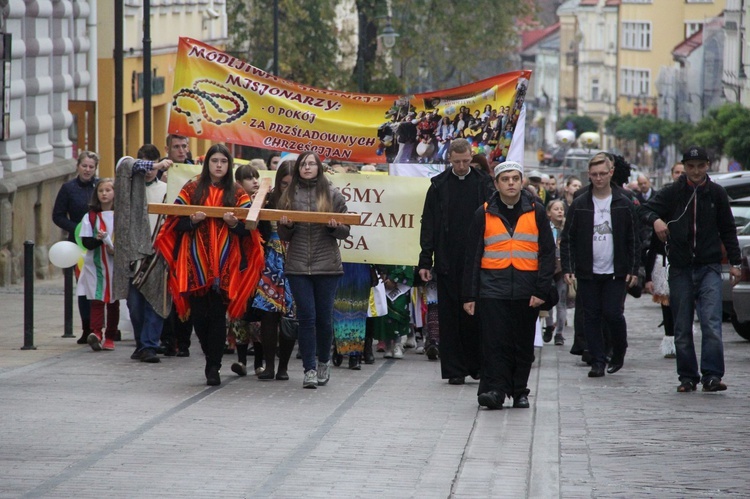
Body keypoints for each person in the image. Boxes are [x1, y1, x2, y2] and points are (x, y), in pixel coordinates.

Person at [155, 144, 264, 386]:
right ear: (208, 164)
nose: (218, 165)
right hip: (194, 263)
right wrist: (192, 222)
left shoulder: (237, 192)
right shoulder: (192, 188)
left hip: (226, 264)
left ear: (229, 165)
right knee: (199, 318)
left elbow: (250, 232)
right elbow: (174, 223)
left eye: (223, 162)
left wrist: (234, 224)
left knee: (216, 316)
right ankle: (209, 355)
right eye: (214, 161)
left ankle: (213, 366)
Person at [640, 146, 742, 393]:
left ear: (707, 165)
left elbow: (728, 229)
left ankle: (712, 375)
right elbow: (642, 209)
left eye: (700, 166)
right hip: (681, 267)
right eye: (691, 166)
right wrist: (656, 220)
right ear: (684, 167)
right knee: (682, 326)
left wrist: (736, 263)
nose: (696, 171)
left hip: (709, 266)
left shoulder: (716, 193)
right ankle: (687, 376)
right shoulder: (673, 191)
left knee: (711, 322)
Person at [462, 160, 556, 410]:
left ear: (522, 181)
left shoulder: (536, 211)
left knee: (523, 344)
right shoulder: (483, 212)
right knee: (494, 343)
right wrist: (470, 295)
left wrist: (541, 291)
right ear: (497, 183)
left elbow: (547, 253)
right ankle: (496, 390)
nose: (511, 183)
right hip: (492, 289)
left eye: (515, 178)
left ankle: (519, 391)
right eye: (505, 179)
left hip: (527, 290)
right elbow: (472, 256)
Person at [418, 138, 492, 385]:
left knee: (476, 315)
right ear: (449, 158)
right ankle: (454, 369)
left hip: (478, 260)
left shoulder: (484, 184)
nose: (461, 166)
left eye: (465, 161)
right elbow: (428, 224)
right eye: (456, 161)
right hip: (447, 259)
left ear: (471, 158)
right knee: (450, 317)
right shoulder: (438, 186)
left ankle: (478, 366)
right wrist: (425, 261)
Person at [561, 152, 640, 378]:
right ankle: (597, 360)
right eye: (594, 174)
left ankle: (618, 350)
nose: (599, 178)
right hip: (588, 271)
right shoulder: (580, 203)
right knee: (591, 316)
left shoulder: (624, 203)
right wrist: (568, 268)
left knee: (613, 313)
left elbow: (633, 239)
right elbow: (568, 238)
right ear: (589, 175)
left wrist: (634, 270)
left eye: (603, 173)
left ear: (611, 173)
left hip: (616, 270)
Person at [277, 151, 351, 389]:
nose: (307, 167)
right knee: (306, 318)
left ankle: (323, 362)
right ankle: (309, 369)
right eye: (303, 164)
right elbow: (283, 234)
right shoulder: (289, 194)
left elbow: (346, 230)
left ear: (319, 167)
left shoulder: (332, 194)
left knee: (324, 319)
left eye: (311, 164)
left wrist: (334, 228)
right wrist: (287, 226)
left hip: (327, 265)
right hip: (298, 265)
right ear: (298, 168)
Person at [112, 144, 173, 363]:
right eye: (145, 164)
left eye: (153, 164)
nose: (149, 170)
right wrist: (155, 164)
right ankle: (140, 343)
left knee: (155, 301)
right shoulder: (127, 188)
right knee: (135, 305)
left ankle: (149, 345)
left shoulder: (167, 191)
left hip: (158, 253)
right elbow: (126, 164)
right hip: (134, 254)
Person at [251, 161, 297, 380]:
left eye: (291, 183)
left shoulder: (304, 200)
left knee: (290, 316)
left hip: (295, 260)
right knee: (268, 315)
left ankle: (284, 367)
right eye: (284, 183)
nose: (287, 188)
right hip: (270, 261)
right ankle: (269, 365)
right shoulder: (267, 199)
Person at [52, 151, 99, 344]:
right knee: (84, 286)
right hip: (77, 245)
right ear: (77, 166)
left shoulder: (101, 187)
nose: (87, 170)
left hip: (99, 242)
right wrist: (77, 228)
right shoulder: (68, 188)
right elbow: (58, 215)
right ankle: (87, 327)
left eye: (91, 167)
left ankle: (102, 327)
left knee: (102, 285)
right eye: (84, 166)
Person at [227, 164, 265, 377]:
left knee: (257, 316)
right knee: (238, 314)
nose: (255, 181)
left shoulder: (264, 203)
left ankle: (259, 363)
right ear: (239, 183)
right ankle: (241, 361)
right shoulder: (233, 202)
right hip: (237, 265)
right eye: (249, 178)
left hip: (258, 267)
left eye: (256, 177)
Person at [159, 134, 195, 357]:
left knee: (186, 289)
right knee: (166, 291)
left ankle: (183, 341)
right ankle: (167, 339)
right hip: (167, 236)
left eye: (184, 146)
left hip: (189, 235)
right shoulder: (162, 170)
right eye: (176, 147)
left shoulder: (196, 171)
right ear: (168, 148)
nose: (181, 150)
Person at [79, 178, 119, 352]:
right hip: (95, 264)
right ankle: (96, 332)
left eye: (108, 190)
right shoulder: (90, 216)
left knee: (112, 300)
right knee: (97, 298)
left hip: (115, 264)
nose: (104, 193)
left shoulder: (120, 215)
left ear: (115, 193)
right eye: (101, 190)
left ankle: (110, 335)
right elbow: (86, 242)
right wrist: (99, 240)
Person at [543, 199, 567, 346]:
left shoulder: (567, 229)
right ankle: (549, 325)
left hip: (562, 269)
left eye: (561, 209)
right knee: (548, 300)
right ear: (549, 212)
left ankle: (559, 333)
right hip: (549, 267)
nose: (559, 211)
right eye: (556, 209)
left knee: (561, 302)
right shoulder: (546, 228)